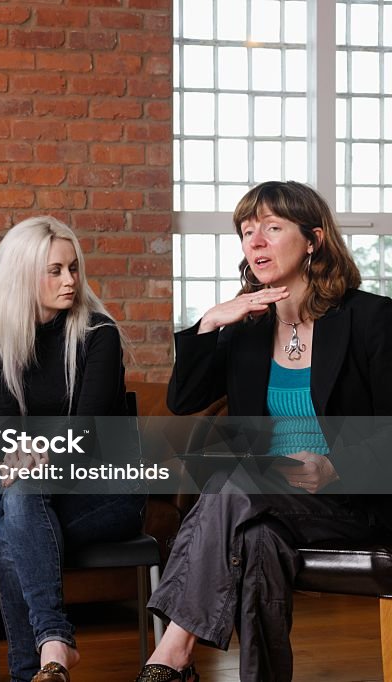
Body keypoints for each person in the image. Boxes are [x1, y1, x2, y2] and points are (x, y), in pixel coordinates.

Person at [138, 180, 392, 682]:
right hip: (264, 501)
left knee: (231, 485)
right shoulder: (247, 329)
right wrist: (211, 322)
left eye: (272, 228)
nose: (255, 241)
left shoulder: (371, 319)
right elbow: (183, 400)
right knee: (256, 542)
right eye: (247, 230)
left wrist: (337, 465)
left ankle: (170, 653)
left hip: (352, 500)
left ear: (313, 239)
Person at [0, 217, 147, 682]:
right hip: (38, 488)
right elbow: (7, 431)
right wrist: (22, 452)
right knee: (20, 500)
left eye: (73, 268)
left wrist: (32, 453)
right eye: (55, 270)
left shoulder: (99, 334)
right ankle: (53, 655)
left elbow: (85, 434)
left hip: (108, 492)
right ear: (23, 274)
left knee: (11, 528)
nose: (70, 280)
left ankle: (35, 662)